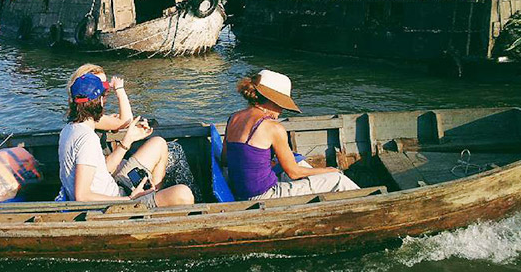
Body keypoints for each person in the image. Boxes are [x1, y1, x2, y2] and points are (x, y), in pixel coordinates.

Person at [59, 73, 194, 208]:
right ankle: (153, 203)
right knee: (183, 194)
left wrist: (128, 139)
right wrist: (129, 199)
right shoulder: (87, 140)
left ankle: (154, 195)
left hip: (113, 189)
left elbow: (99, 172)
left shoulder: (69, 129)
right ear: (99, 101)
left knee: (157, 143)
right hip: (115, 205)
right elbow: (82, 196)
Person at [222, 70, 359, 200]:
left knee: (299, 163)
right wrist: (328, 170)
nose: (281, 111)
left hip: (239, 190)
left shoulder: (234, 118)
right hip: (264, 196)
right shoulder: (273, 127)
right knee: (338, 179)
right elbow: (294, 172)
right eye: (281, 105)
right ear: (272, 100)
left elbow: (225, 159)